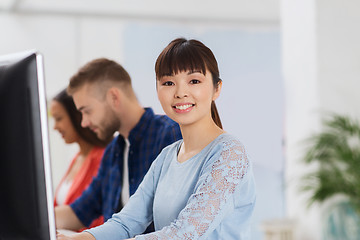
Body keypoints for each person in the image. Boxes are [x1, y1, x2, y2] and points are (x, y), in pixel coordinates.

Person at [57, 38, 256, 240]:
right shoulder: (167, 157)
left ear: (217, 88)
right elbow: (126, 222)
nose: (180, 93)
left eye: (194, 81)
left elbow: (185, 233)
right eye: (168, 83)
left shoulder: (230, 153)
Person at [55, 58, 182, 232]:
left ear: (114, 97)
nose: (83, 123)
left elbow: (182, 223)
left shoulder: (170, 136)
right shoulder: (113, 152)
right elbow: (78, 212)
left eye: (87, 111)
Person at [51, 89, 111, 230]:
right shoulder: (77, 158)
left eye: (59, 118)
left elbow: (96, 219)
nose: (55, 127)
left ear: (77, 117)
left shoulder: (102, 157)